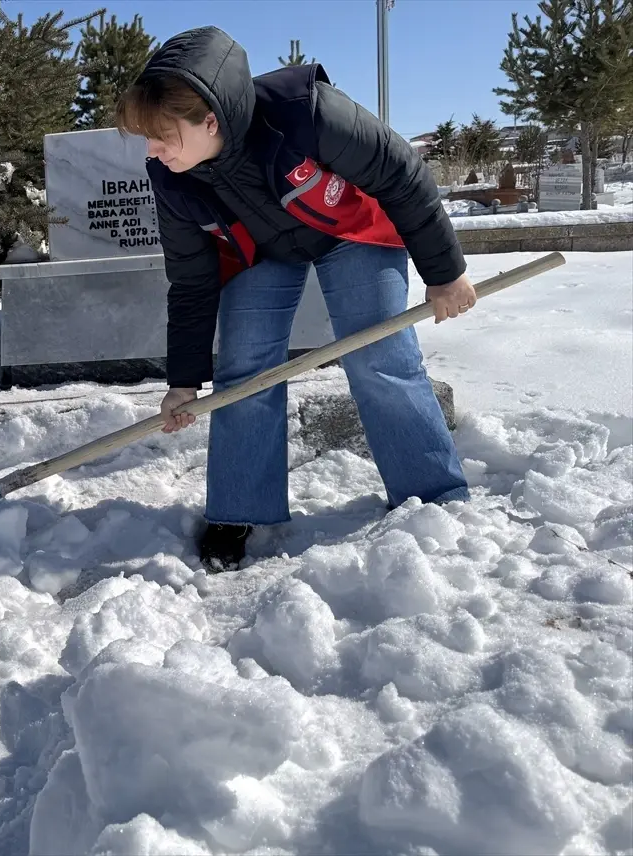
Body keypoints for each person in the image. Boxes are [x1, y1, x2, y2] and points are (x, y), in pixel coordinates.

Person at [114, 26, 476, 572]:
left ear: (209, 121)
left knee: (379, 354)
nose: (152, 151)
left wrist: (446, 274)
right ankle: (238, 507)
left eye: (162, 137)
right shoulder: (172, 178)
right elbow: (191, 280)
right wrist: (182, 382)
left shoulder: (304, 111)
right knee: (244, 369)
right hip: (266, 252)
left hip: (350, 233)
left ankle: (432, 495)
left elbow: (401, 172)